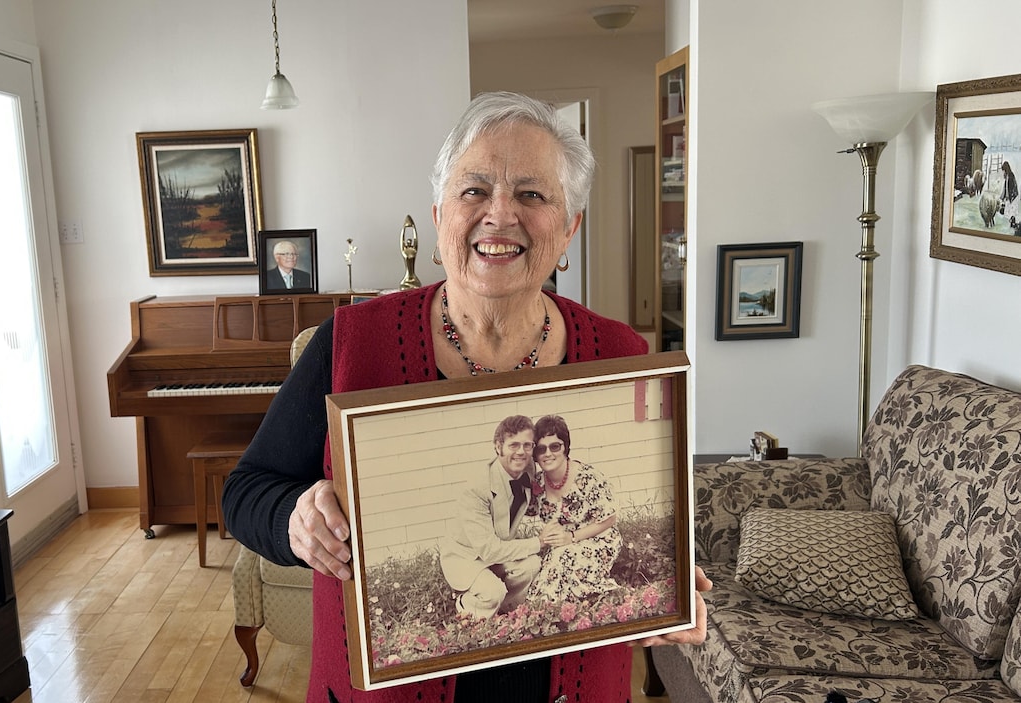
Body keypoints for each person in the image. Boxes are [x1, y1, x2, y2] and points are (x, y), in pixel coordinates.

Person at [223, 91, 709, 703]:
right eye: (474, 190)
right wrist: (295, 519)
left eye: (532, 194)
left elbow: (631, 514)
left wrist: (664, 585)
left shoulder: (621, 354)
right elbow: (244, 494)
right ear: (439, 216)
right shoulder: (350, 343)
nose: (499, 215)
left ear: (569, 228)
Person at [438, 415, 550, 619]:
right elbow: (489, 550)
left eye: (527, 445)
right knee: (492, 592)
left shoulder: (528, 469)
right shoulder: (477, 488)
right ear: (498, 447)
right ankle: (467, 607)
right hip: (467, 556)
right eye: (513, 445)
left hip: (498, 548)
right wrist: (538, 542)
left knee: (532, 565)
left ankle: (507, 611)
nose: (521, 452)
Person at [526, 414, 624, 603]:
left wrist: (571, 537)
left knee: (563, 559)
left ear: (565, 447)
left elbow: (610, 518)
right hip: (562, 544)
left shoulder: (588, 477)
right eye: (541, 449)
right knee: (553, 565)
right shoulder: (538, 483)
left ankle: (551, 607)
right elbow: (521, 510)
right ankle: (547, 608)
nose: (548, 453)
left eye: (555, 446)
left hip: (598, 539)